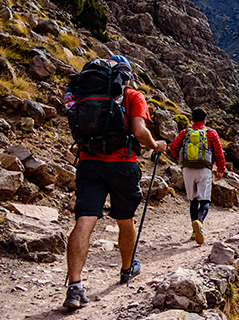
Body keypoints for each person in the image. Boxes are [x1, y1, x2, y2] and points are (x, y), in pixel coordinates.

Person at [63, 55, 167, 309]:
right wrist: (156, 145)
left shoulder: (83, 93)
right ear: (125, 75)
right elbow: (140, 131)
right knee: (125, 219)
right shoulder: (132, 96)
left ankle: (75, 287)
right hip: (122, 165)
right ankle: (126, 268)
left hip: (89, 163)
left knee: (84, 219)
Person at [169, 109, 225, 245]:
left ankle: (194, 231)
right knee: (204, 200)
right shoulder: (211, 133)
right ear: (205, 119)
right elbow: (218, 151)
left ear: (192, 119)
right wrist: (220, 169)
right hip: (204, 169)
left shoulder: (185, 133)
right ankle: (199, 222)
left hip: (187, 169)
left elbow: (173, 147)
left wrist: (181, 159)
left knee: (193, 200)